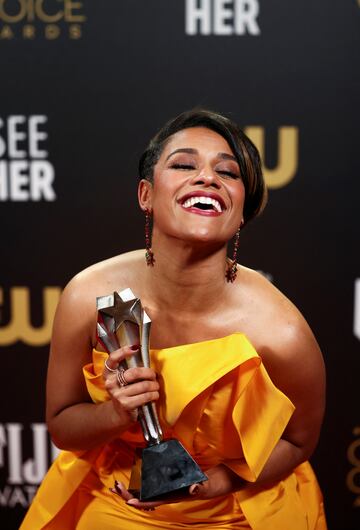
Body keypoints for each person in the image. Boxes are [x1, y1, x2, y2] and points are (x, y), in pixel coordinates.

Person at [20, 109, 327, 529]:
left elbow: (297, 441)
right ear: (146, 195)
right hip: (117, 502)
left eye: (228, 172)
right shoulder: (87, 297)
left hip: (238, 510)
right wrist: (114, 413)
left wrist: (217, 482)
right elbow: (62, 427)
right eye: (184, 164)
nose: (206, 177)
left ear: (242, 211)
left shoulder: (281, 332)